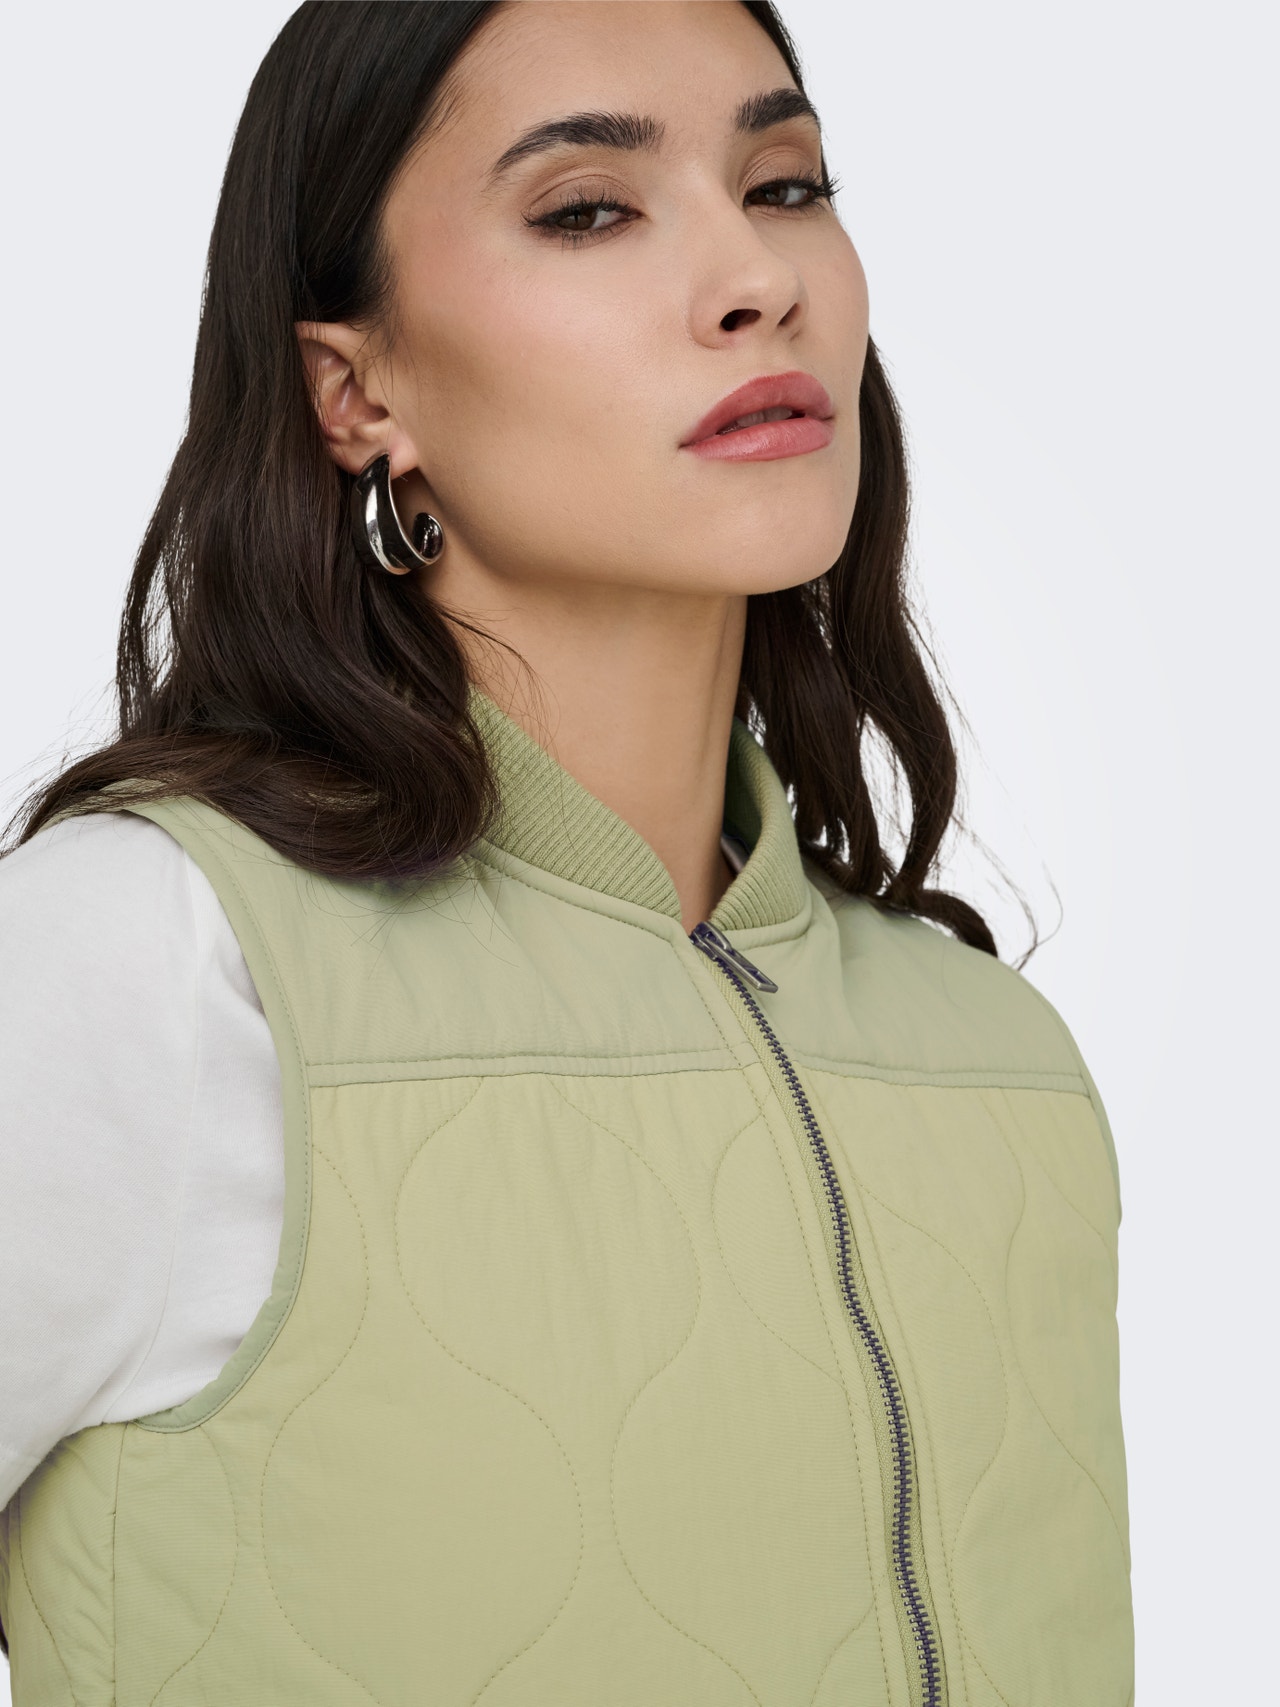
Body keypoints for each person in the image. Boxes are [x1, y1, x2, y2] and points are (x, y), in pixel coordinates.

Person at [0, 3, 1133, 1701]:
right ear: (355, 390)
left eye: (786, 184)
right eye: (588, 209)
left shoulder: (994, 1058)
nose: (755, 279)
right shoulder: (156, 966)